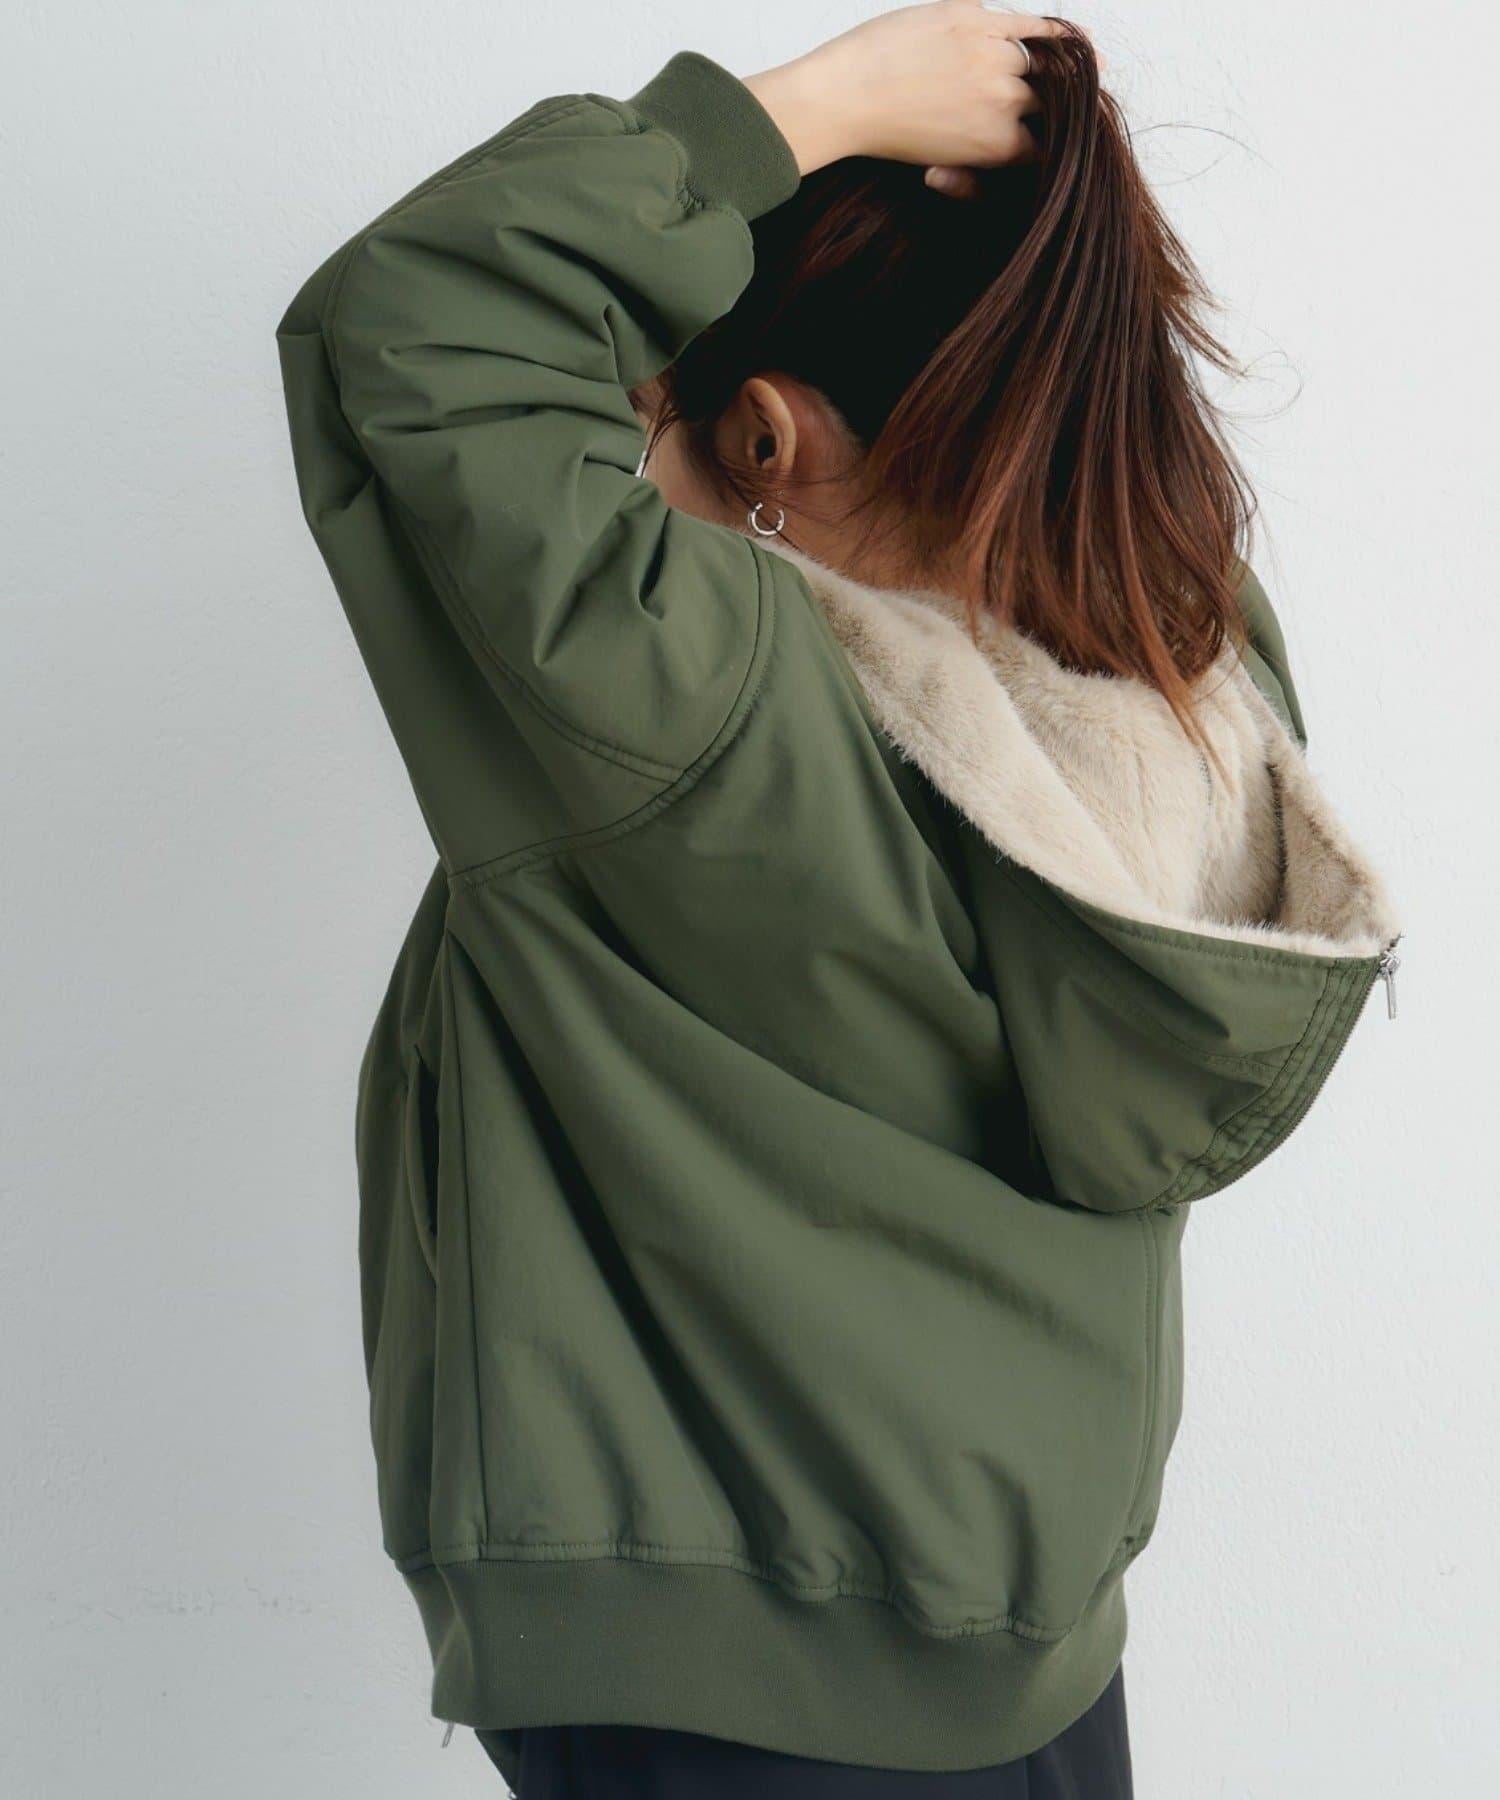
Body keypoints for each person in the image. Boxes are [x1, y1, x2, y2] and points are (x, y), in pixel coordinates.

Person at [276, 5, 1400, 1792]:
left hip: (717, 1687)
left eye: (648, 423)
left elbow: (416, 316)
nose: (625, 465)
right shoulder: (1209, 680)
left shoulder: (706, 709)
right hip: (1033, 1680)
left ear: (768, 441)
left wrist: (805, 111)